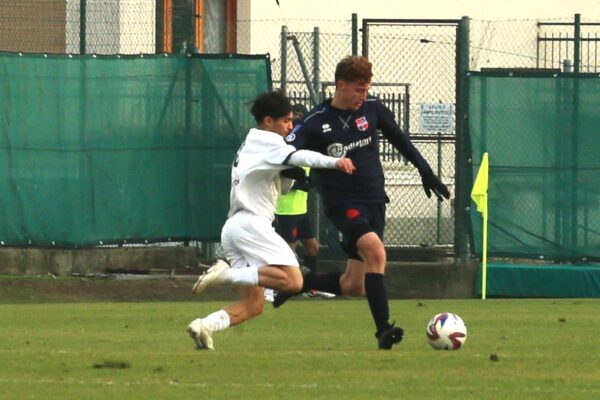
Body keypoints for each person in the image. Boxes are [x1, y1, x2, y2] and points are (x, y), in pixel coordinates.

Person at [273, 56, 450, 350]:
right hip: (343, 204)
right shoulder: (316, 121)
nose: (363, 96)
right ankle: (383, 330)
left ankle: (299, 284)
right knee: (376, 252)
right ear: (340, 85)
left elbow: (400, 140)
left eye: (366, 89)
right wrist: (293, 173)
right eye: (358, 89)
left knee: (353, 284)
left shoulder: (372, 109)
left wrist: (426, 171)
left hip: (375, 200)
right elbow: (285, 151)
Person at [186, 90, 355, 350]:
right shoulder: (269, 142)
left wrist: (290, 176)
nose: (290, 125)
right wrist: (335, 162)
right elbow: (301, 155)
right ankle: (225, 275)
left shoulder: (254, 143)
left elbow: (282, 185)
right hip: (252, 224)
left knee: (254, 305)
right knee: (294, 281)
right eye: (285, 120)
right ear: (268, 121)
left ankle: (204, 325)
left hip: (235, 227)